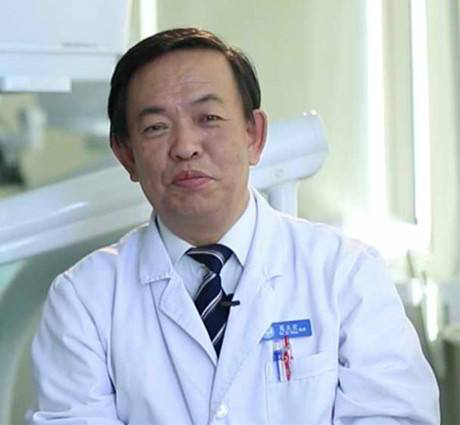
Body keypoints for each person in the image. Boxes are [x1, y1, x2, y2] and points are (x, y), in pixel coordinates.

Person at [28, 27, 440, 424]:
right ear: (127, 156)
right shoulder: (84, 299)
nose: (185, 146)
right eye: (156, 127)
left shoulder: (344, 273)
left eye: (208, 117)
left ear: (254, 135)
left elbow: (396, 416)